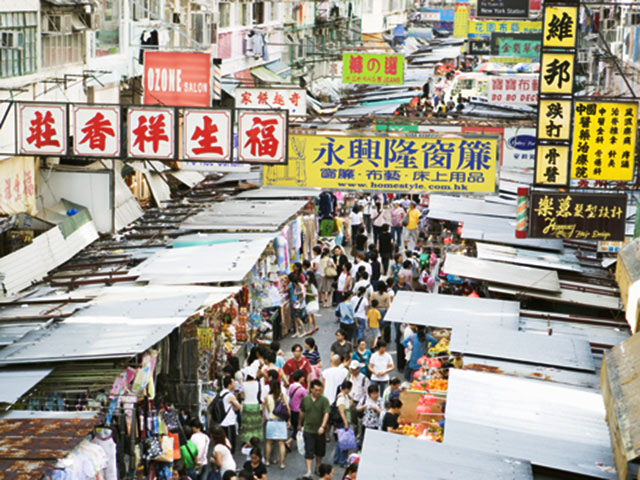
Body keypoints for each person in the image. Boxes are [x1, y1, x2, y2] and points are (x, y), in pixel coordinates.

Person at [299, 379, 331, 479]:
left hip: (319, 430)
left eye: (319, 390)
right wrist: (299, 424)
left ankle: (318, 466)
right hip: (308, 429)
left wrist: (323, 426)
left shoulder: (324, 400)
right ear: (311, 389)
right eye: (316, 390)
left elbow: (326, 413)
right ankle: (309, 471)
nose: (318, 392)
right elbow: (302, 412)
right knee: (309, 450)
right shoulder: (305, 399)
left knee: (319, 451)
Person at [264, 379, 290, 469]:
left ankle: (267, 461)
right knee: (281, 443)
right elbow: (288, 409)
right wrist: (289, 420)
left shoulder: (267, 397)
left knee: (268, 442)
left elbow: (266, 410)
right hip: (281, 422)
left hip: (271, 422)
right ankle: (282, 463)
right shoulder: (282, 396)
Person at [286, 369, 308, 451]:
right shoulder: (302, 390)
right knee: (300, 427)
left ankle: (296, 439)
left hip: (292, 409)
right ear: (301, 378)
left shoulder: (291, 386)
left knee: (295, 426)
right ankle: (289, 441)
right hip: (299, 411)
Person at [346, 359, 370, 435]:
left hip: (360, 403)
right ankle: (354, 435)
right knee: (352, 421)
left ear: (358, 369)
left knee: (360, 421)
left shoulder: (364, 379)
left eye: (354, 369)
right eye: (351, 369)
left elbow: (367, 392)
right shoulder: (349, 377)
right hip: (351, 401)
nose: (352, 371)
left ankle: (360, 436)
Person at [333, 381, 353, 467]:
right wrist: (346, 423)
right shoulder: (341, 398)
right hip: (343, 422)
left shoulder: (345, 396)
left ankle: (336, 458)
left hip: (343, 421)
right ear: (347, 389)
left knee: (340, 441)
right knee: (345, 442)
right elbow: (341, 411)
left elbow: (350, 404)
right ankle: (343, 461)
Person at [219, 376, 241, 454]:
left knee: (222, 442)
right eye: (233, 383)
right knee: (230, 443)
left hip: (221, 421)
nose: (234, 384)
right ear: (229, 384)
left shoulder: (221, 393)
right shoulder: (230, 396)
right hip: (229, 421)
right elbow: (238, 407)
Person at [240, 372, 264, 444]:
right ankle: (255, 439)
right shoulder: (258, 384)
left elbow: (242, 396)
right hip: (255, 404)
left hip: (246, 405)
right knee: (255, 424)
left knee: (247, 425)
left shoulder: (243, 384)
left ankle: (247, 441)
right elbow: (260, 395)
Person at [289, 273, 307, 338]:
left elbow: (304, 296)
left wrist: (299, 300)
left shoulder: (301, 286)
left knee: (298, 318)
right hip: (297, 304)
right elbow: (295, 294)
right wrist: (298, 291)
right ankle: (297, 331)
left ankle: (303, 331)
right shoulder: (297, 286)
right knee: (295, 318)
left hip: (300, 304)